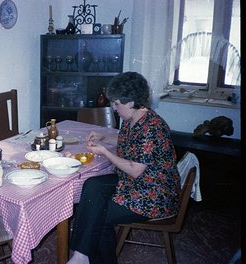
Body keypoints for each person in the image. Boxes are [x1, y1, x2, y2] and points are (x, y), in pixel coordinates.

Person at [67, 72, 180, 264]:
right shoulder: (134, 118)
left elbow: (135, 169)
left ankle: (82, 256)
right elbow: (124, 139)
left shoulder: (152, 127)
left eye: (116, 104)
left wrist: (105, 152)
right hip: (135, 183)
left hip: (153, 194)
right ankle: (82, 255)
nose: (113, 107)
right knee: (92, 186)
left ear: (130, 102)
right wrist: (103, 137)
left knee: (97, 216)